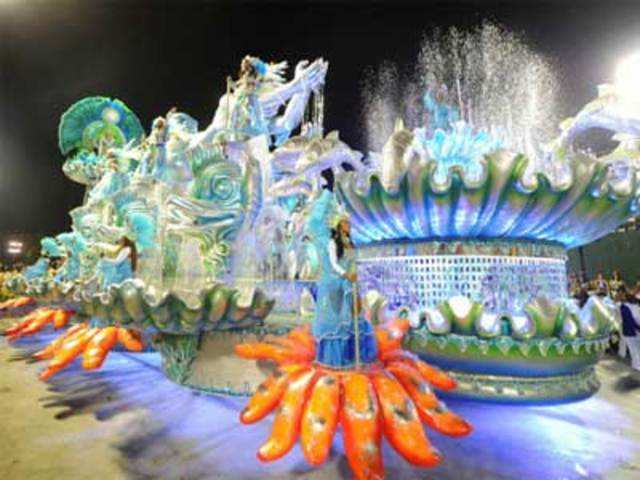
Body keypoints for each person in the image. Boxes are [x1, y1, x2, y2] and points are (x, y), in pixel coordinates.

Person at [309, 192, 377, 368]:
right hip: (335, 283)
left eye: (349, 223)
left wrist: (355, 275)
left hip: (351, 283)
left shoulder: (350, 242)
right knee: (338, 320)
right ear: (339, 226)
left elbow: (353, 261)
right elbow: (333, 264)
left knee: (356, 316)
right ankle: (335, 358)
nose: (349, 226)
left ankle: (356, 355)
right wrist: (345, 274)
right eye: (345, 223)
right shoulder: (333, 243)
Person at [619, 289, 640, 371]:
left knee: (636, 349)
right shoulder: (625, 307)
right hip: (630, 331)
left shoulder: (635, 306)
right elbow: (630, 321)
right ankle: (636, 365)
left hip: (634, 331)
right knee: (634, 350)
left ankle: (636, 364)